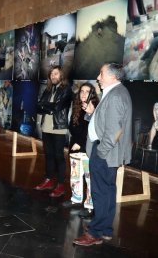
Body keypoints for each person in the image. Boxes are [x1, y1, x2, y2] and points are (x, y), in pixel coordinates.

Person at [74, 63, 132, 246]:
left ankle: (95, 233)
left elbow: (115, 131)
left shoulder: (115, 96)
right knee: (107, 191)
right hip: (106, 152)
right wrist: (92, 114)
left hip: (105, 153)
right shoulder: (116, 92)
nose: (98, 78)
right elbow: (107, 122)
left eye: (101, 74)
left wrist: (101, 151)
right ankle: (105, 229)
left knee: (100, 192)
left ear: (112, 77)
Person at [62, 82, 99, 219]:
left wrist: (80, 143)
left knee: (90, 179)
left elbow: (92, 130)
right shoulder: (76, 106)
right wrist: (75, 142)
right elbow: (72, 127)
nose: (83, 94)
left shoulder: (94, 108)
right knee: (75, 176)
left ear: (92, 94)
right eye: (81, 91)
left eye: (87, 91)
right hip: (75, 148)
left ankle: (90, 206)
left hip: (87, 149)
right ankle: (76, 199)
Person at [35, 65, 73, 197]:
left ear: (61, 75)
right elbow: (39, 106)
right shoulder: (48, 89)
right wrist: (48, 107)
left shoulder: (67, 90)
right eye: (51, 74)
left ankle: (61, 185)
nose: (53, 76)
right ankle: (49, 180)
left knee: (59, 157)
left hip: (59, 128)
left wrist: (47, 106)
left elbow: (57, 107)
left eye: (56, 74)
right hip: (46, 127)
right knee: (48, 155)